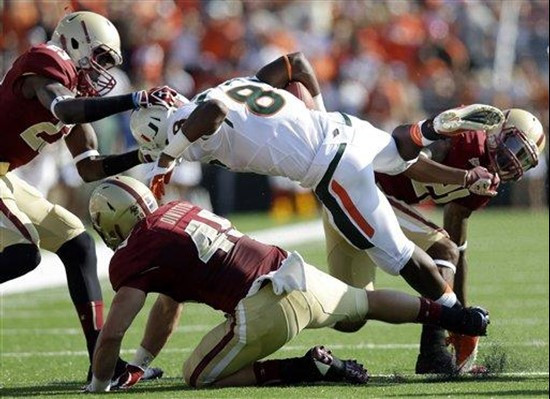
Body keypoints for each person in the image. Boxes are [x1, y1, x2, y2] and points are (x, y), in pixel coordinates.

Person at [130, 52, 500, 314]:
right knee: (397, 153)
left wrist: (166, 159)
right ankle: (426, 130)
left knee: (400, 256)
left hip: (330, 166)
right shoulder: (236, 85)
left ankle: (460, 320)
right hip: (346, 128)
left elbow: (209, 115)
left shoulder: (188, 124)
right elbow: (297, 62)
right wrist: (465, 178)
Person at [85, 176, 489, 391]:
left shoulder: (136, 252)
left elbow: (111, 335)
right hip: (294, 271)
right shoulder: (178, 209)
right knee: (368, 303)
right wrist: (140, 363)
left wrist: (99, 384)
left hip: (261, 308)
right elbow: (169, 305)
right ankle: (456, 317)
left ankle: (305, 367)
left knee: (196, 375)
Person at [0, 11, 176, 380]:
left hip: (4, 173)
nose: (101, 71)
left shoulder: (73, 91)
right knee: (24, 253)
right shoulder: (47, 61)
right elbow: (63, 108)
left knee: (77, 244)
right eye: (100, 58)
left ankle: (103, 365)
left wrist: (143, 155)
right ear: (75, 43)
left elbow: (89, 168)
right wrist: (137, 98)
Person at [336, 108, 543, 374]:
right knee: (441, 246)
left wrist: (462, 317)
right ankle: (432, 352)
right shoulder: (462, 137)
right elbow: (411, 163)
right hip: (361, 187)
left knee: (349, 320)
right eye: (514, 146)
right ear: (495, 131)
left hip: (363, 206)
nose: (514, 160)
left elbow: (458, 248)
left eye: (524, 159)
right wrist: (464, 177)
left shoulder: (487, 180)